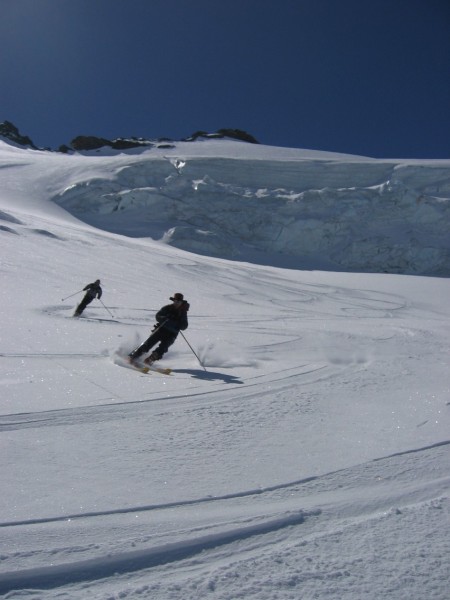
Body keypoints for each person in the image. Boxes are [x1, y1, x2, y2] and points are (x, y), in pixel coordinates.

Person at [129, 293, 189, 365]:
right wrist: (164, 318)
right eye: (175, 301)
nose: (176, 303)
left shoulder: (183, 313)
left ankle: (150, 360)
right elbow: (158, 316)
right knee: (148, 344)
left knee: (163, 348)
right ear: (173, 301)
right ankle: (133, 356)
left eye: (178, 302)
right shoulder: (167, 308)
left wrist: (179, 324)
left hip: (172, 334)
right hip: (161, 329)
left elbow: (185, 326)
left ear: (181, 302)